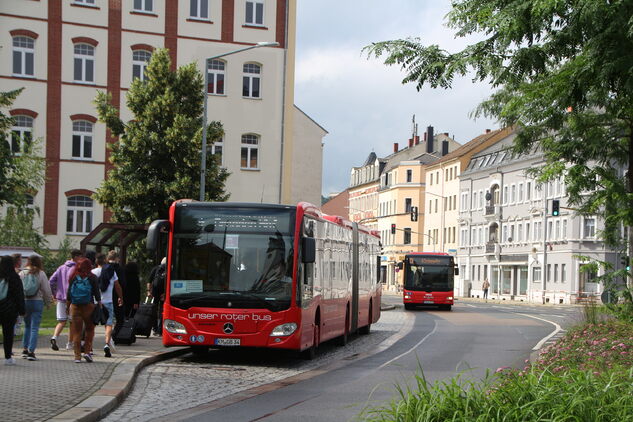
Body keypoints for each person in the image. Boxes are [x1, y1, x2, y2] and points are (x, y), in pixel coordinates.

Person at [67, 258, 102, 363]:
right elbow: (96, 293)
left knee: (77, 331)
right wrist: (99, 304)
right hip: (89, 306)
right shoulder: (92, 277)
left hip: (75, 306)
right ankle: (87, 352)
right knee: (89, 330)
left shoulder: (73, 277)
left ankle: (77, 356)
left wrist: (67, 306)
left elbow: (69, 294)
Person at [19, 255, 53, 361]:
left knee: (27, 326)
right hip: (37, 301)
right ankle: (31, 351)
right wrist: (48, 302)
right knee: (34, 327)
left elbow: (18, 289)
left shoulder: (22, 273)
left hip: (25, 301)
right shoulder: (41, 273)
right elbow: (46, 290)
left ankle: (24, 349)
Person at [49, 249, 83, 351]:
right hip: (72, 299)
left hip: (60, 298)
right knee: (72, 322)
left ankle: (54, 337)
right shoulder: (77, 269)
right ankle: (69, 343)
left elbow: (51, 281)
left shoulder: (61, 268)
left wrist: (55, 293)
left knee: (61, 321)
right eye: (80, 257)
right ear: (76, 257)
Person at [92, 253, 122, 358]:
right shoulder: (111, 271)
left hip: (96, 302)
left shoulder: (93, 272)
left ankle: (89, 347)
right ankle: (106, 344)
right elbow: (117, 286)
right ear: (105, 260)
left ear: (96, 262)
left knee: (92, 325)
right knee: (108, 324)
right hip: (108, 301)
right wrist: (120, 297)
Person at [0, 255, 25, 365]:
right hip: (9, 309)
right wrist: (22, 310)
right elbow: (19, 295)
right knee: (8, 333)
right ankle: (8, 357)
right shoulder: (14, 277)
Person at [106, 251, 126, 337]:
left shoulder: (104, 267)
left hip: (105, 296)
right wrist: (121, 296)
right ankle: (113, 335)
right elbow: (122, 283)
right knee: (120, 318)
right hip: (116, 295)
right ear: (117, 258)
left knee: (106, 318)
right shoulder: (119, 269)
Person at [147, 258, 166, 336]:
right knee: (162, 311)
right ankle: (160, 329)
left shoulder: (155, 268)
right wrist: (165, 293)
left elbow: (149, 281)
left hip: (155, 292)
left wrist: (148, 291)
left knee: (154, 310)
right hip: (163, 294)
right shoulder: (169, 270)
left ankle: (155, 328)